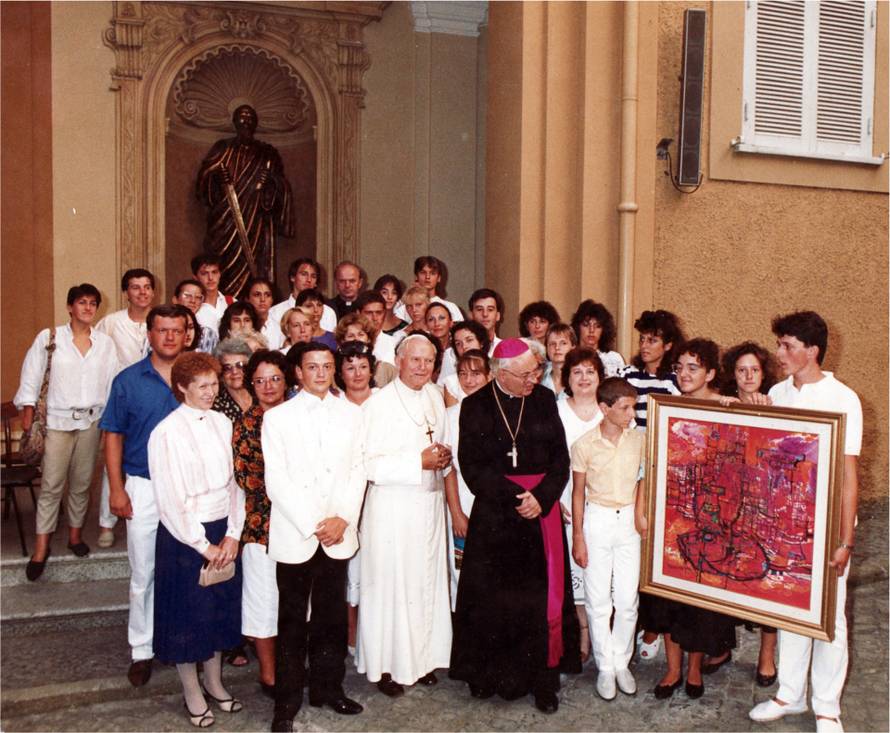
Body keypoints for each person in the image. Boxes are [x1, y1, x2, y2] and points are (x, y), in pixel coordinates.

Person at [450, 338, 581, 713]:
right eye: (526, 374)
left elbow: (560, 458)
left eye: (536, 371)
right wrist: (516, 498)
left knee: (537, 601)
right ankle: (486, 675)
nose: (534, 378)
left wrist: (542, 497)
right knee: (492, 600)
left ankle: (542, 681)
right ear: (501, 373)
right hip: (496, 516)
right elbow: (473, 468)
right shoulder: (474, 406)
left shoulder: (541, 400)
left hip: (540, 512)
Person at [749, 312, 862, 733]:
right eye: (779, 344)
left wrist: (846, 538)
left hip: (827, 523)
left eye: (787, 346)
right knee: (786, 605)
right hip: (785, 522)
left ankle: (827, 706)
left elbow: (849, 475)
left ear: (811, 352)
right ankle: (790, 693)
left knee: (829, 617)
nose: (779, 353)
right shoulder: (777, 392)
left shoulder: (842, 398)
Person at [263, 343, 367, 731]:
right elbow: (278, 481)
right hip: (297, 533)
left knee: (331, 616)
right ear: (298, 373)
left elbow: (358, 469)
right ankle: (286, 703)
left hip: (338, 532)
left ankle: (328, 688)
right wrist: (314, 523)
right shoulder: (279, 418)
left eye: (327, 366)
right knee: (292, 620)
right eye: (312, 367)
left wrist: (342, 518)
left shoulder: (351, 415)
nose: (321, 373)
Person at [148, 352, 245, 728]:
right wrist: (204, 546)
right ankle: (191, 690)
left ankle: (215, 682)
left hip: (224, 529)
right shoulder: (166, 432)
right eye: (202, 386)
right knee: (188, 617)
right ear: (182, 388)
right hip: (184, 537)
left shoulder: (223, 423)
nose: (211, 391)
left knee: (218, 613)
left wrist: (234, 534)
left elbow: (237, 484)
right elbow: (170, 500)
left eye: (214, 384)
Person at [641, 338, 736, 700]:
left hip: (710, 519)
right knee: (667, 597)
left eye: (693, 367)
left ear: (711, 373)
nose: (683, 374)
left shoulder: (726, 408)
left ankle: (695, 667)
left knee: (700, 599)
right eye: (679, 367)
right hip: (671, 515)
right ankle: (673, 667)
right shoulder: (666, 408)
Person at [357, 334, 453, 697]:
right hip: (392, 510)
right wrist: (419, 462)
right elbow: (368, 464)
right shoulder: (377, 405)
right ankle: (387, 667)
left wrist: (440, 457)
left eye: (428, 361)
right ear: (398, 361)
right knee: (392, 590)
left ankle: (421, 660)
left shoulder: (433, 396)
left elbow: (439, 444)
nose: (422, 367)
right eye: (415, 360)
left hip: (428, 505)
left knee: (425, 584)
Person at [99, 304, 188, 687]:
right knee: (144, 572)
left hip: (190, 490)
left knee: (186, 570)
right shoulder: (127, 380)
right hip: (144, 484)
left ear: (187, 334)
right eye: (162, 330)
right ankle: (141, 649)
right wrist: (117, 488)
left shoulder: (200, 377)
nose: (169, 337)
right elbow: (112, 435)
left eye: (176, 330)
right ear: (149, 334)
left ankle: (183, 643)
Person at [15, 283, 118, 578]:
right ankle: (41, 547)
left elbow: (112, 384)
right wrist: (27, 414)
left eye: (92, 303)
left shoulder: (105, 343)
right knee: (51, 485)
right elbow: (31, 375)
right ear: (70, 306)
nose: (87, 308)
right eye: (82, 302)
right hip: (56, 423)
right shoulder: (50, 338)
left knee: (82, 483)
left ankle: (75, 537)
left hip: (91, 421)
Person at [571, 377, 644, 700]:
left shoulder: (639, 440)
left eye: (633, 406)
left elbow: (645, 478)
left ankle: (620, 661)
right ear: (605, 408)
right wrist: (578, 536)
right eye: (625, 407)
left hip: (628, 520)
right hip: (598, 519)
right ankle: (605, 667)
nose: (632, 413)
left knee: (627, 600)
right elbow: (577, 493)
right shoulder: (584, 445)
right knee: (598, 600)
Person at [232, 350, 293, 700]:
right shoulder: (246, 424)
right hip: (261, 526)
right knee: (263, 603)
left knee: (296, 603)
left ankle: (293, 665)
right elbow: (249, 478)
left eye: (275, 379)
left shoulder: (300, 416)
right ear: (251, 384)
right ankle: (269, 675)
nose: (268, 386)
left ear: (286, 380)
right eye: (260, 380)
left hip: (301, 527)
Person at [718, 341, 779, 686]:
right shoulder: (723, 404)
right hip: (731, 502)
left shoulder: (777, 402)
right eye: (742, 370)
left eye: (754, 369)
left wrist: (769, 410)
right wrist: (721, 409)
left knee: (767, 580)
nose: (748, 375)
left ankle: (766, 655)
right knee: (725, 572)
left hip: (764, 503)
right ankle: (723, 646)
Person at [195, 104, 295, 297]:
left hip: (256, 221)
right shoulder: (222, 148)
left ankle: (255, 298)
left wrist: (271, 183)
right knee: (223, 262)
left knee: (256, 264)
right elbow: (203, 180)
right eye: (242, 117)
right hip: (227, 219)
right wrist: (216, 174)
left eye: (250, 117)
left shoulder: (267, 153)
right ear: (235, 121)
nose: (246, 121)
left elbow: (282, 186)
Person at [95, 268, 156, 549]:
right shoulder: (111, 322)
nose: (142, 292)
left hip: (151, 398)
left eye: (146, 287)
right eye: (135, 287)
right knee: (114, 463)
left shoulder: (159, 320)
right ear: (125, 293)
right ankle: (106, 524)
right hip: (121, 398)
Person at [556, 347, 607, 665]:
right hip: (564, 503)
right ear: (567, 379)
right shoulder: (556, 411)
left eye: (590, 371)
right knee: (573, 574)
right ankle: (578, 637)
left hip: (603, 506)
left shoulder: (610, 410)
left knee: (599, 576)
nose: (584, 377)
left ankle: (596, 638)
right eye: (577, 372)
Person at [334, 340, 378, 650]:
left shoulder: (383, 402)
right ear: (341, 372)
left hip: (378, 494)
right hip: (347, 496)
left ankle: (372, 633)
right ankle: (350, 634)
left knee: (376, 568)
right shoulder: (335, 406)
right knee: (350, 569)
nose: (357, 372)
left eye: (363, 366)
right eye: (350, 367)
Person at [443, 349, 491, 609]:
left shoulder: (500, 413)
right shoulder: (450, 417)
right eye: (463, 374)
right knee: (462, 573)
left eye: (476, 374)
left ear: (489, 375)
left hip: (495, 506)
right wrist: (456, 512)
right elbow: (448, 467)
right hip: (462, 499)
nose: (469, 381)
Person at [618, 309, 684, 430]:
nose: (644, 346)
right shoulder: (626, 374)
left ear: (668, 345)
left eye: (652, 341)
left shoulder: (675, 379)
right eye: (642, 339)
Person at [268, 258, 337, 333]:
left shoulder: (328, 312)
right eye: (304, 274)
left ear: (316, 282)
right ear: (292, 277)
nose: (309, 280)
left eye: (313, 276)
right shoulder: (275, 312)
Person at [334, 312, 396, 387]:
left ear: (369, 339)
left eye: (361, 335)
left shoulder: (386, 368)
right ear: (342, 341)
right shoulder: (333, 369)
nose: (356, 339)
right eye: (351, 336)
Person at [393, 256, 463, 322]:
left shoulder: (451, 308)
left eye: (432, 273)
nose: (427, 277)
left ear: (439, 278)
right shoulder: (404, 310)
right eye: (423, 273)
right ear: (416, 277)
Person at [570, 300, 626, 377]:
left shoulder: (614, 359)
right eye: (586, 325)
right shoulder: (569, 356)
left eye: (597, 326)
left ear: (604, 329)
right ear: (577, 327)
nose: (591, 330)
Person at [442, 320, 491, 406]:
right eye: (458, 343)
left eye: (469, 340)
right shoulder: (452, 383)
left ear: (481, 343)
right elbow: (453, 416)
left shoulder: (497, 375)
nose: (464, 346)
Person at [212, 337, 255, 423]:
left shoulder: (260, 393)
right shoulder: (215, 405)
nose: (234, 371)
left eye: (240, 365)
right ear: (220, 372)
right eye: (227, 367)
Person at [173, 279, 218, 353]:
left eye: (198, 297)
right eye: (187, 296)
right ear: (175, 300)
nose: (193, 301)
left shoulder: (207, 333)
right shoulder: (162, 327)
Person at [193, 254, 234, 333]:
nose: (210, 278)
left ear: (219, 274)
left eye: (214, 272)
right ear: (195, 278)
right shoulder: (193, 307)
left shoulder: (232, 302)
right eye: (204, 273)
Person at [356, 290, 397, 368]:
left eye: (379, 313)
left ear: (384, 313)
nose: (375, 318)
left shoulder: (394, 344)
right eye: (369, 313)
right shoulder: (350, 343)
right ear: (358, 313)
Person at [245, 277, 283, 350]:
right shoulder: (241, 324)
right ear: (247, 299)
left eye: (267, 295)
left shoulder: (279, 328)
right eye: (257, 295)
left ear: (272, 300)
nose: (262, 299)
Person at [541, 323, 577, 398]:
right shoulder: (539, 377)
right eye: (552, 344)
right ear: (546, 348)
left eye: (563, 343)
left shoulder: (581, 377)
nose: (557, 347)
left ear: (573, 347)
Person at [468, 288, 504, 353]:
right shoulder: (462, 348)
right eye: (479, 309)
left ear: (498, 316)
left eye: (490, 310)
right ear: (471, 315)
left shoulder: (505, 349)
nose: (485, 314)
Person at [424, 302, 454, 380]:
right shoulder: (422, 347)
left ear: (451, 322)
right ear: (426, 325)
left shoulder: (459, 345)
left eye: (441, 318)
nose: (436, 324)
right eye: (431, 319)